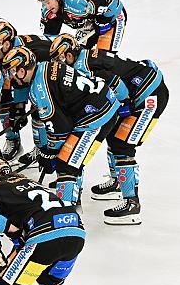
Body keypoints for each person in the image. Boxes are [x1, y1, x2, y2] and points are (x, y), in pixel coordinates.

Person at [49, 34, 169, 224]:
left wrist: (123, 108)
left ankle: (131, 204)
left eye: (61, 58)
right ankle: (118, 182)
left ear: (70, 54)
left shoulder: (84, 67)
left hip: (149, 95)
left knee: (122, 145)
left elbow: (120, 90)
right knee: (113, 136)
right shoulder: (85, 58)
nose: (59, 63)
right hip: (143, 89)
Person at [2, 46, 118, 205]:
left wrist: (49, 153)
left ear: (22, 71)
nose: (10, 77)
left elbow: (59, 128)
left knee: (65, 164)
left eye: (12, 72)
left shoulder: (40, 90)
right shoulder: (43, 66)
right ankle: (73, 198)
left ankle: (67, 216)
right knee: (73, 158)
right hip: (103, 105)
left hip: (96, 115)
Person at [0, 21, 52, 162]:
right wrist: (18, 107)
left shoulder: (24, 55)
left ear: (6, 44)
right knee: (6, 105)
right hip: (32, 74)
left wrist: (22, 106)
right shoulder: (11, 54)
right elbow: (18, 80)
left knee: (40, 111)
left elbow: (31, 82)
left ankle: (43, 148)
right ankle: (14, 142)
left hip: (47, 75)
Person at [36, 0, 126, 52]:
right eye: (44, 3)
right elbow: (50, 37)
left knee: (104, 58)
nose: (47, 7)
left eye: (48, 2)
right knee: (77, 54)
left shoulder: (78, 2)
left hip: (112, 15)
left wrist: (103, 22)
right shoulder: (48, 11)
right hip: (89, 20)